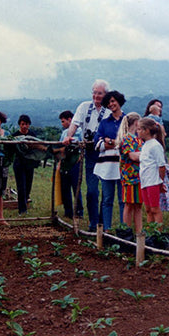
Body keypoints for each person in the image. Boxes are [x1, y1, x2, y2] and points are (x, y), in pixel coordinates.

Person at [63, 79, 111, 231]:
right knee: (91, 190)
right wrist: (69, 136)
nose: (97, 96)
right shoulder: (84, 107)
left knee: (106, 190)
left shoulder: (110, 109)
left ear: (106, 95)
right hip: (90, 152)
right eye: (95, 93)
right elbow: (75, 124)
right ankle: (93, 222)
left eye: (100, 93)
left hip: (106, 152)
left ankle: (103, 224)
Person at [93, 90, 125, 231]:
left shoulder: (128, 120)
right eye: (109, 102)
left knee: (123, 199)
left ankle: (125, 230)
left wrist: (111, 141)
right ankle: (107, 229)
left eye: (113, 101)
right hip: (106, 167)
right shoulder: (105, 123)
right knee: (107, 199)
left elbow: (131, 141)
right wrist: (113, 143)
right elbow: (97, 142)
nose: (112, 104)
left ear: (119, 101)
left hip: (124, 165)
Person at [115, 113, 143, 233]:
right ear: (136, 123)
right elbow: (133, 156)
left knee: (138, 206)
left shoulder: (136, 139)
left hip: (138, 177)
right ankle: (126, 232)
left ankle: (138, 232)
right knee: (129, 205)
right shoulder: (127, 139)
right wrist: (148, 155)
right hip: (130, 177)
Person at [137, 118, 166, 225]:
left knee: (155, 209)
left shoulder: (155, 145)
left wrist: (161, 181)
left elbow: (161, 166)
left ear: (147, 130)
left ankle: (159, 232)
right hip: (145, 181)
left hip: (153, 181)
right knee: (148, 209)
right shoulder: (145, 145)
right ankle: (151, 232)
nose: (138, 131)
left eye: (140, 129)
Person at [58, 110, 84, 219]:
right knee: (65, 187)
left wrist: (80, 157)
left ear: (70, 120)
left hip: (76, 163)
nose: (62, 124)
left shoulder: (81, 131)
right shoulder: (64, 133)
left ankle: (79, 211)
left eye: (63, 121)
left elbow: (83, 147)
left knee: (76, 187)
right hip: (65, 162)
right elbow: (60, 148)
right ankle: (68, 211)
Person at [12, 114, 38, 215]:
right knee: (21, 186)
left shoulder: (32, 135)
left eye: (26, 124)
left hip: (29, 163)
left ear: (29, 125)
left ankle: (25, 204)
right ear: (19, 125)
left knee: (28, 186)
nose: (24, 126)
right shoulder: (15, 136)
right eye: (22, 124)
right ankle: (22, 210)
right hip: (19, 163)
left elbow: (36, 147)